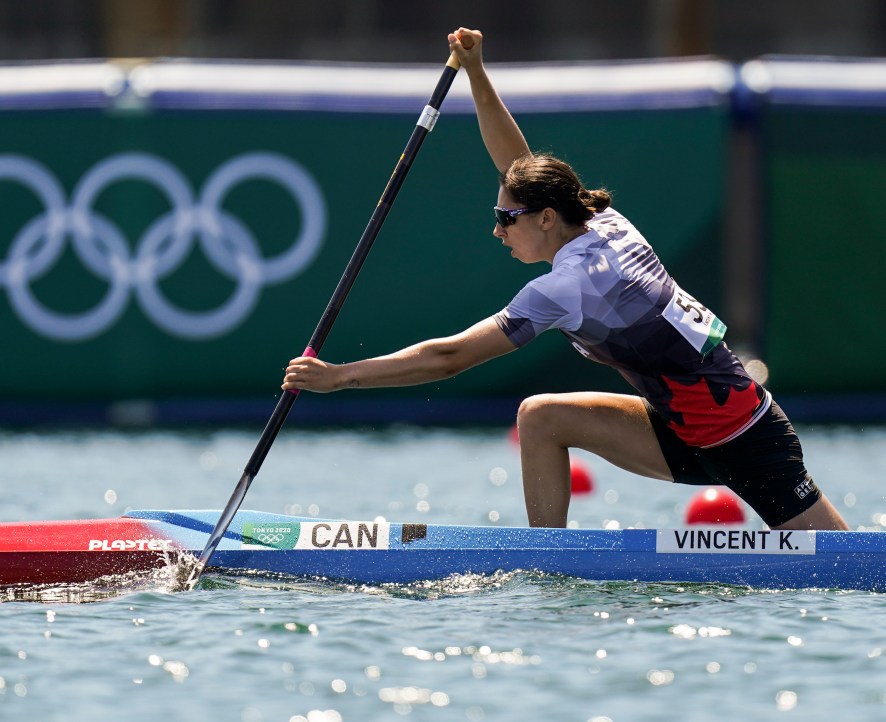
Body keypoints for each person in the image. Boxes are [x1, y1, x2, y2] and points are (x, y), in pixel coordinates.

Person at [281, 27, 848, 532]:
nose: (498, 232)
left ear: (546, 218)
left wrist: (340, 377)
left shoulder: (565, 289)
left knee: (850, 569)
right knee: (541, 416)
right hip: (679, 428)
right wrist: (476, 73)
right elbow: (518, 165)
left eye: (506, 219)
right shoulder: (599, 218)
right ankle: (548, 557)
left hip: (743, 434)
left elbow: (449, 358)